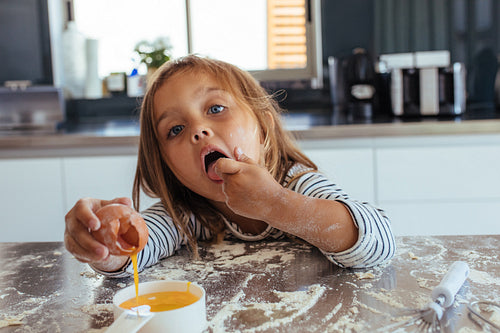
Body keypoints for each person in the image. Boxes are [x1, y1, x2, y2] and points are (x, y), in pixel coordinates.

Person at [64, 55, 395, 277]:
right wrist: (107, 241)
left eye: (216, 108)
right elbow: (138, 251)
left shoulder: (297, 183)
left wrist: (275, 204)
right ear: (167, 165)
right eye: (175, 130)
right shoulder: (186, 213)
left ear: (263, 130)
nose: (198, 129)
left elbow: (378, 243)